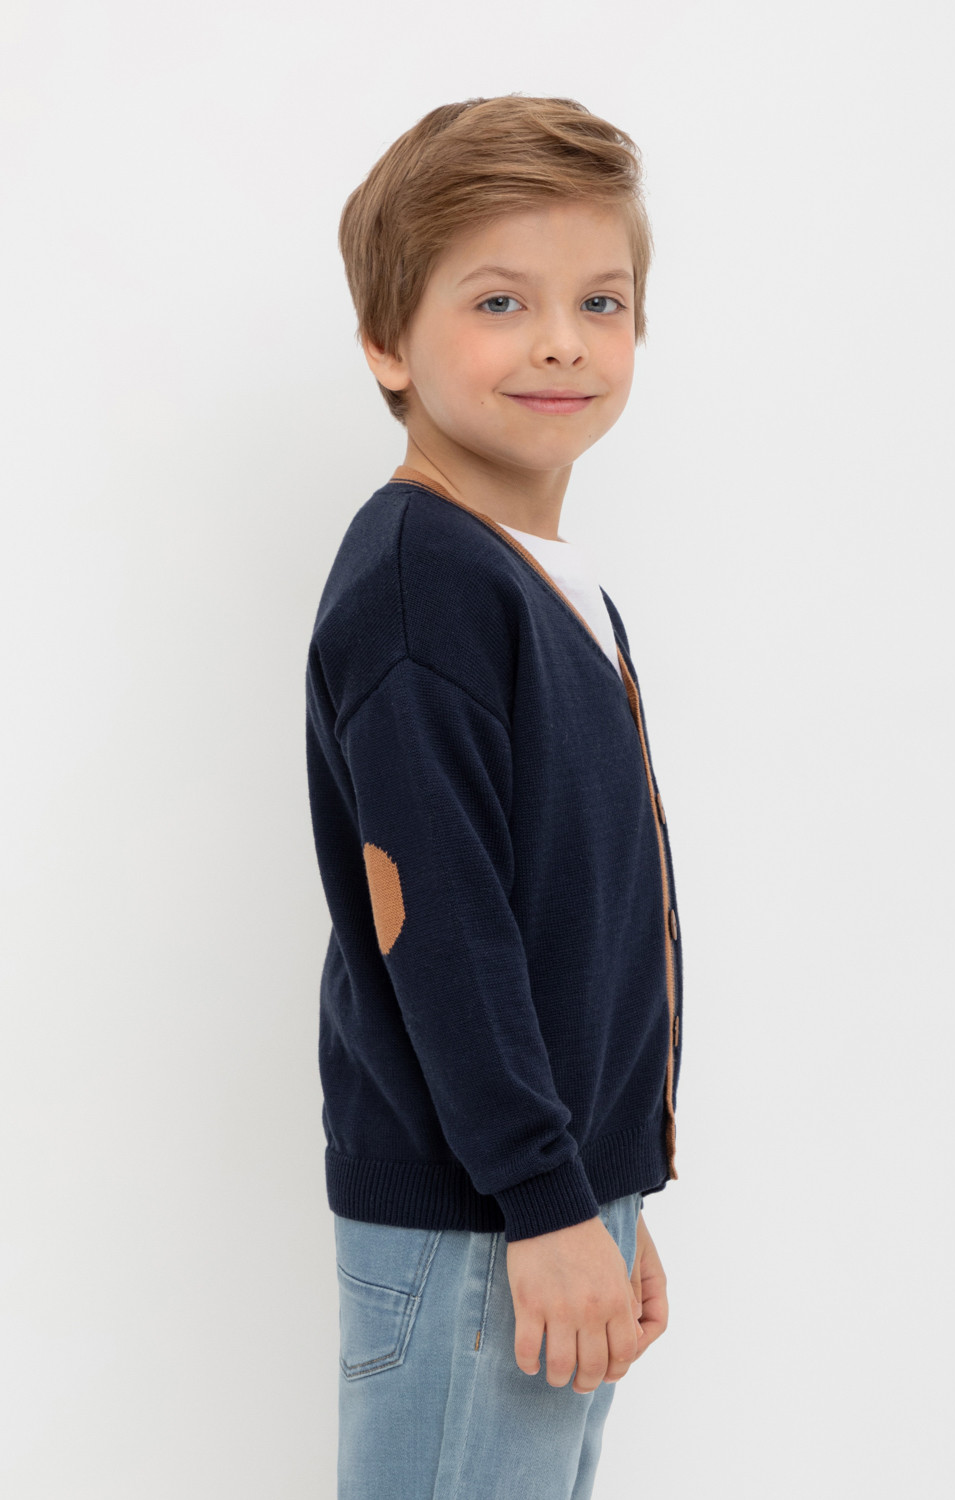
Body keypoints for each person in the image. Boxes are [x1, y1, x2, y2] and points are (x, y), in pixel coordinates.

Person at [304, 93, 685, 1500]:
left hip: (542, 1203)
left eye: (601, 300)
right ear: (385, 341)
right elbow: (448, 931)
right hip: (484, 1220)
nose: (561, 340)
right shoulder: (426, 586)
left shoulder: (539, 582)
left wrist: (603, 1190)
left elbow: (563, 917)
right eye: (500, 301)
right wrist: (544, 1197)